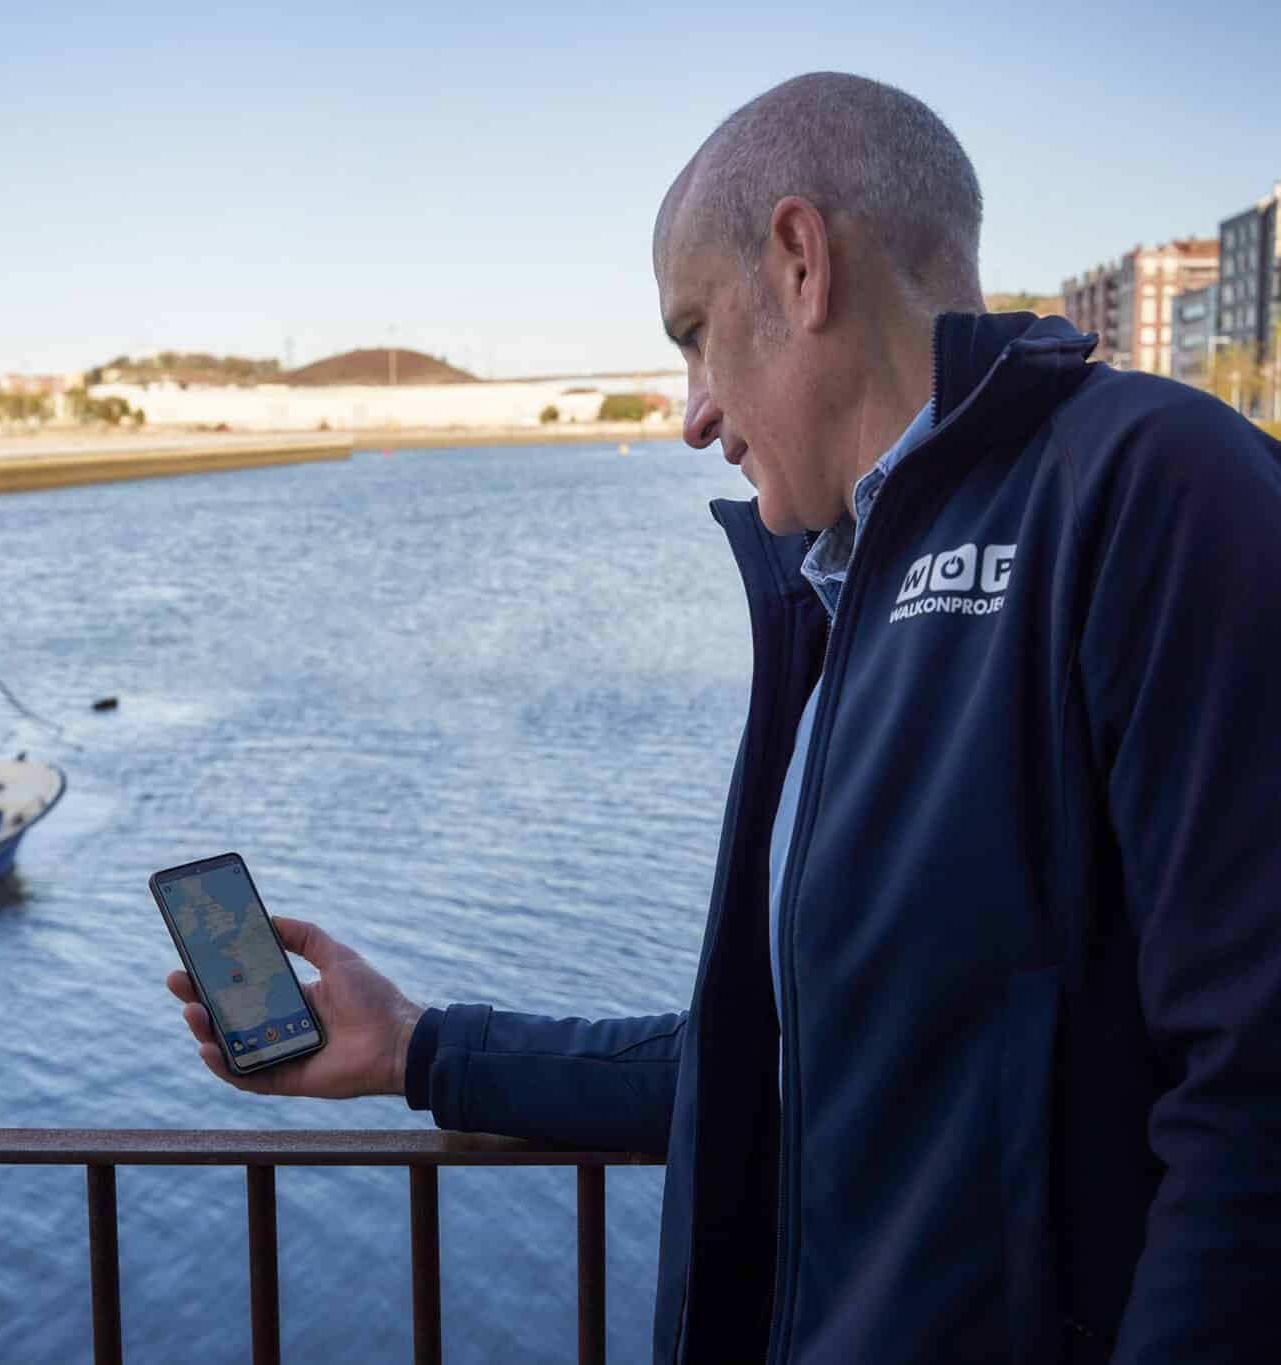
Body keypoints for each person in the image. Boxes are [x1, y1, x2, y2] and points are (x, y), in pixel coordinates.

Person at [167, 72, 1281, 1365]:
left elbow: (1255, 1096)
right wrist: (419, 1048)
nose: (693, 413)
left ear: (802, 264)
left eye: (694, 334)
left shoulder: (1155, 484)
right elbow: (779, 1052)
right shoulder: (836, 595)